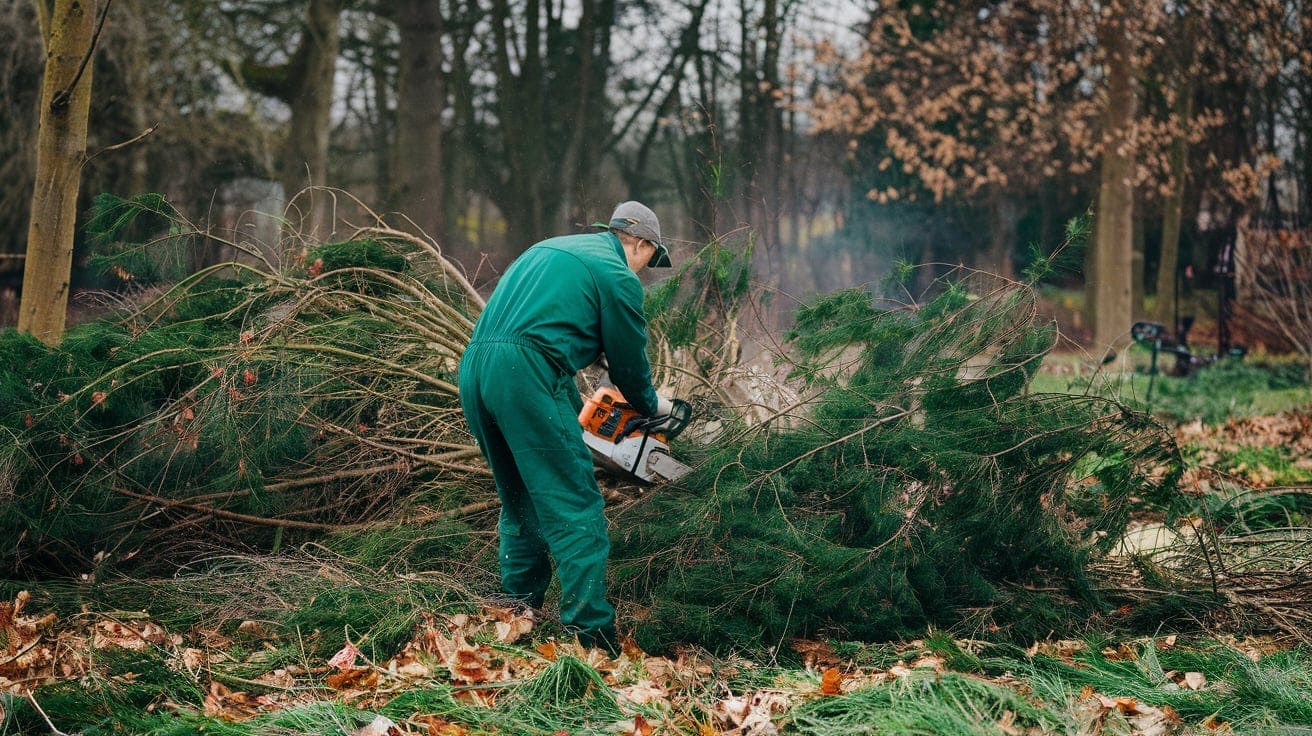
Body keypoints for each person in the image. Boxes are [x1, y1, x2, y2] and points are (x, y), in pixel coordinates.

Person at [457, 201, 675, 654]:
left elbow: (541, 326)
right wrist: (654, 405)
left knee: (519, 496)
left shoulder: (550, 249)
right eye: (647, 260)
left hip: (476, 368)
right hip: (526, 373)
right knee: (577, 504)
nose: (643, 271)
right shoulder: (616, 275)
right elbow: (630, 364)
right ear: (638, 243)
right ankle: (591, 637)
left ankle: (516, 615)